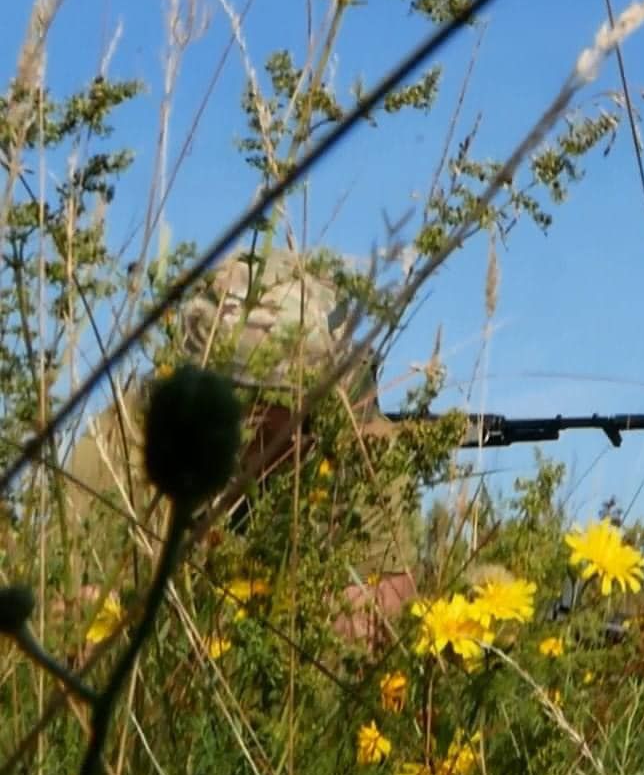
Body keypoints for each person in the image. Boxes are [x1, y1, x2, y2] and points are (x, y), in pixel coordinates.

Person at [54, 241, 419, 651]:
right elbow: (73, 621)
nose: (295, 445)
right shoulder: (118, 446)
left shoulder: (355, 440)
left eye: (309, 420)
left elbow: (384, 614)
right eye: (264, 431)